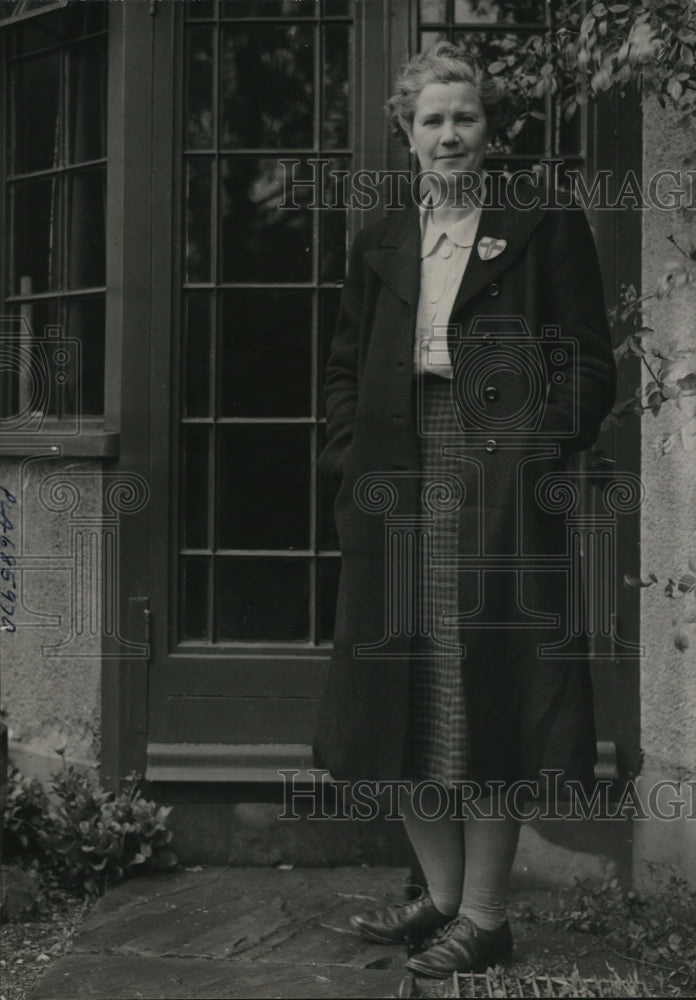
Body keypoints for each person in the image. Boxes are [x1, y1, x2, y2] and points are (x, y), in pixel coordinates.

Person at [313, 41, 617, 979]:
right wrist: (345, 457)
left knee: (489, 695)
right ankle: (441, 900)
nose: (450, 136)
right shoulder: (380, 239)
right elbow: (342, 365)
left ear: (491, 131)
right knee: (398, 698)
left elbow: (590, 367)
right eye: (432, 121)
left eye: (465, 118)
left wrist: (532, 447)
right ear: (405, 136)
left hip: (501, 488)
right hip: (394, 474)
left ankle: (486, 917)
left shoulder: (540, 221)